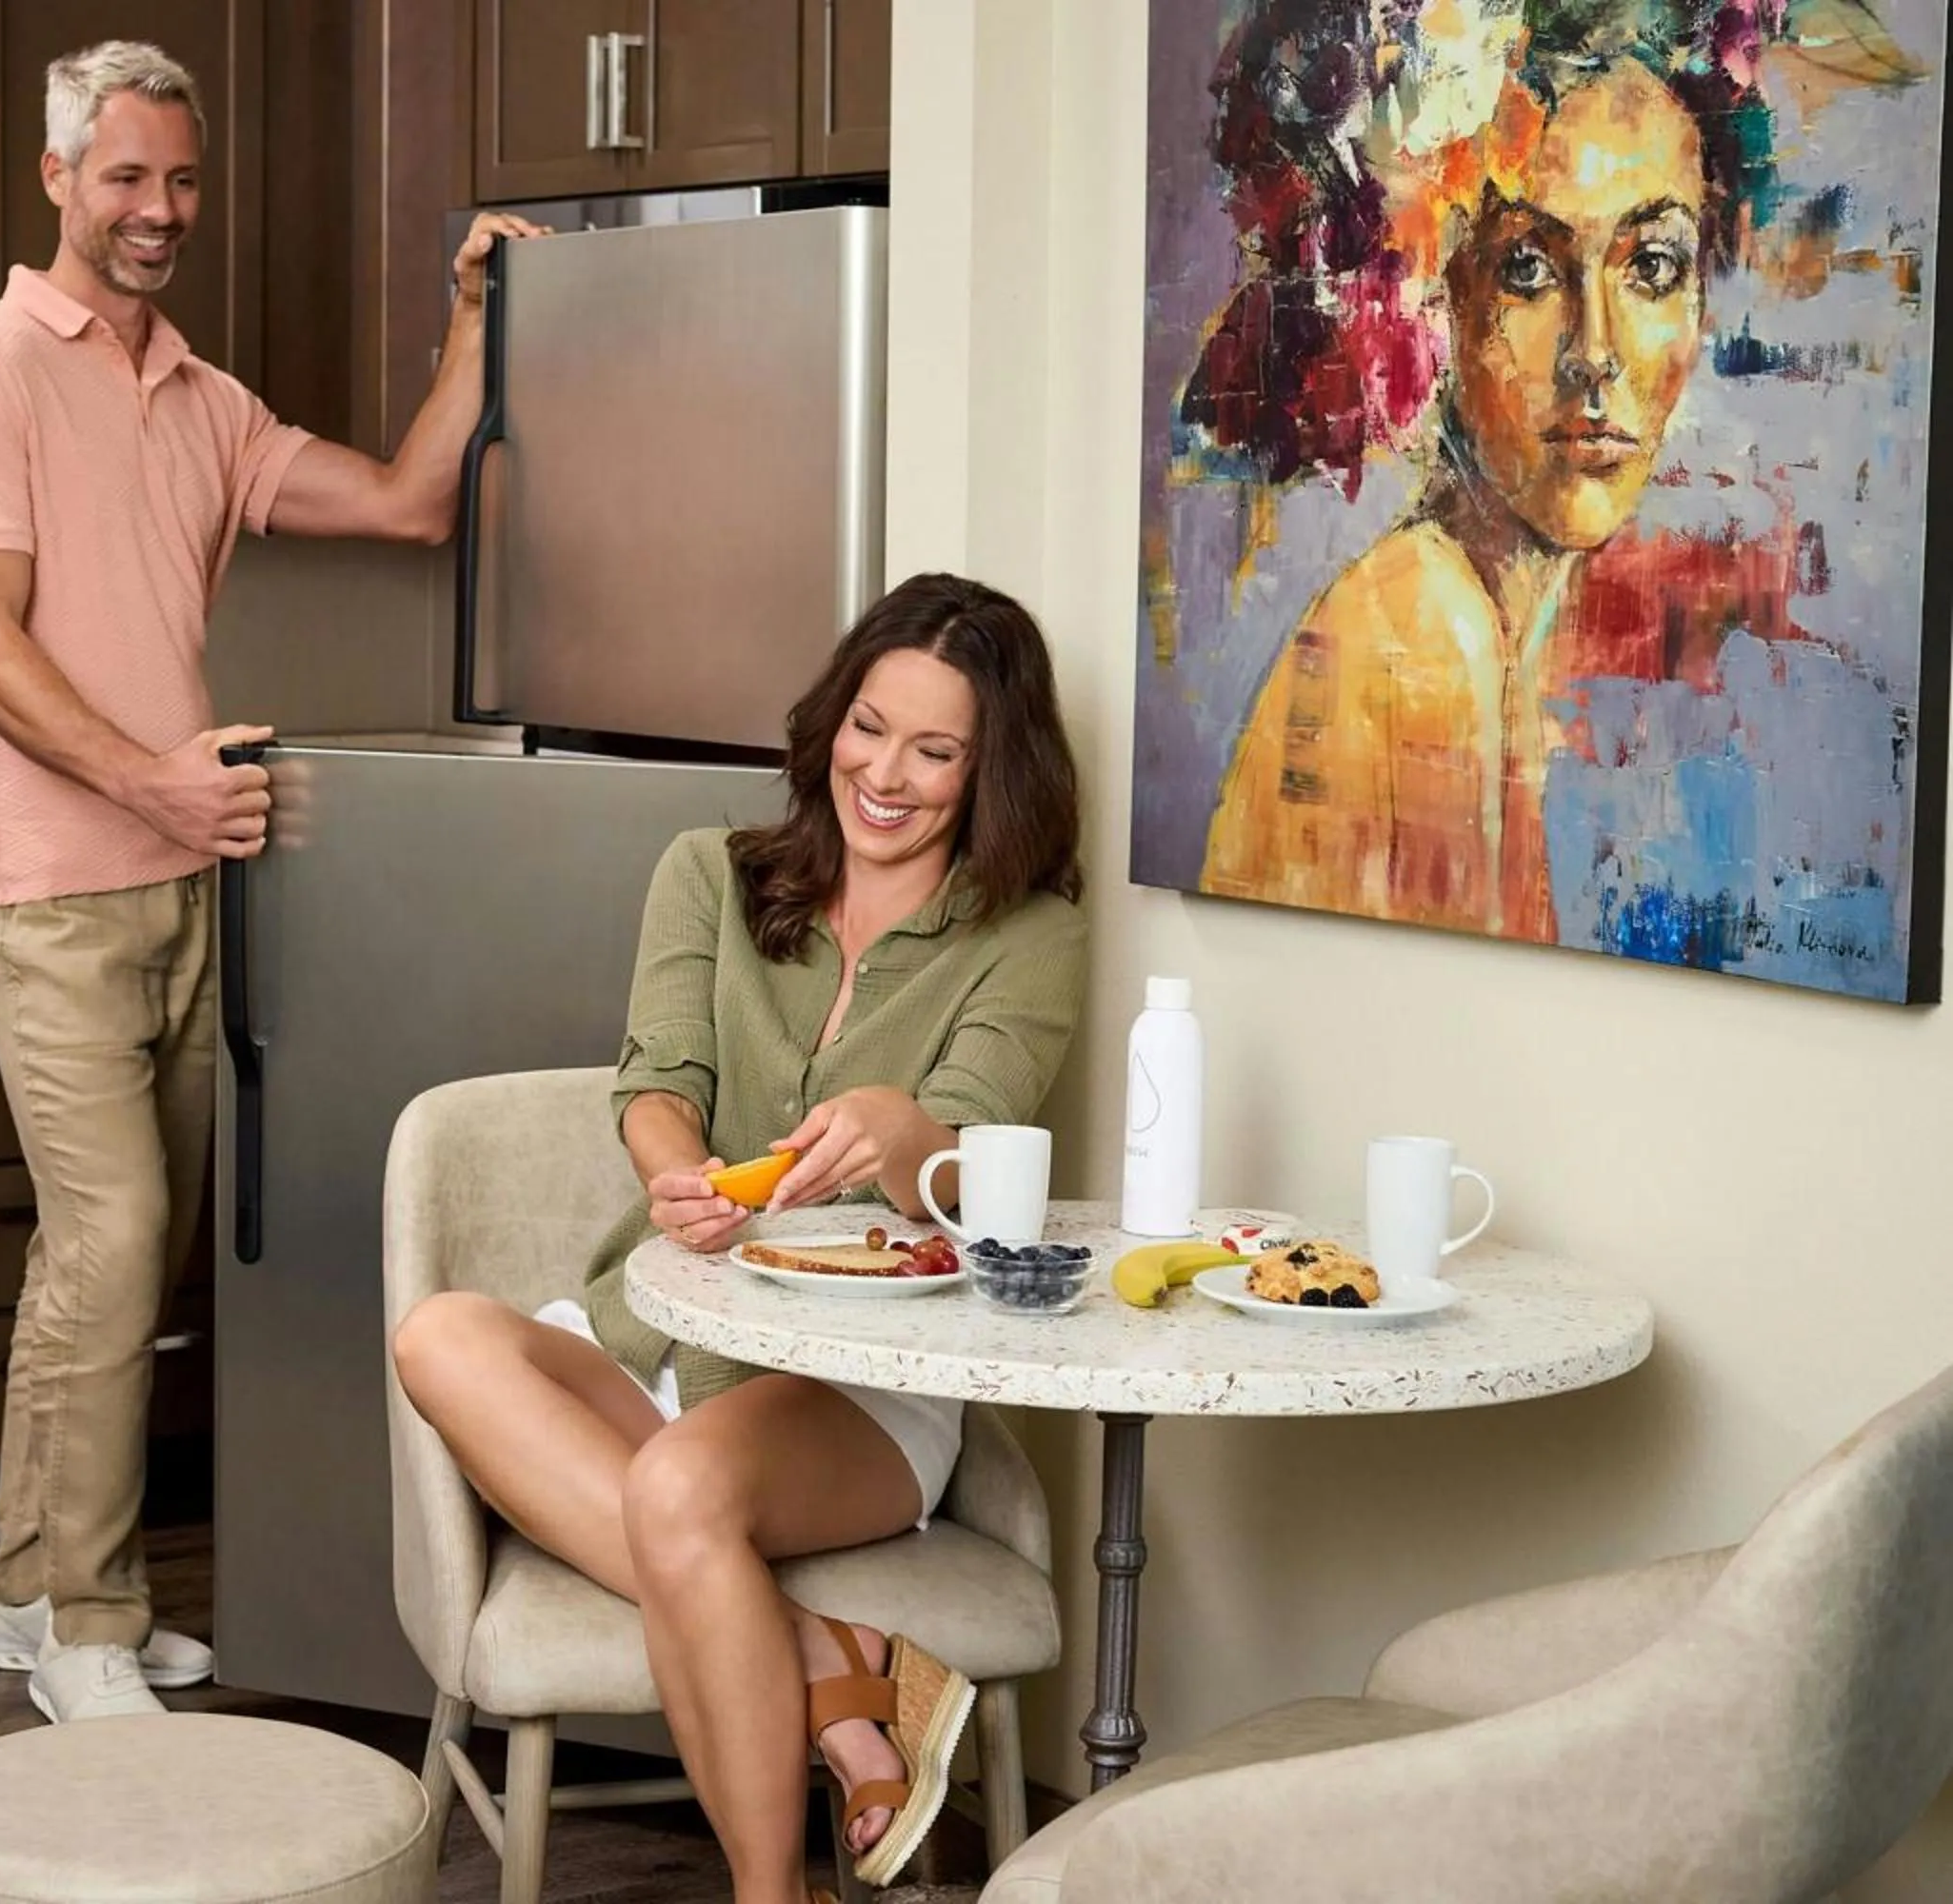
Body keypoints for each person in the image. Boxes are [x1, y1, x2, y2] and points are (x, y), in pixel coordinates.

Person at [0, 39, 543, 1725]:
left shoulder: (201, 397)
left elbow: (407, 504)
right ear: (58, 178)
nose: (159, 209)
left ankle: (20, 1593)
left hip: (191, 884)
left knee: (108, 1253)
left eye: (181, 180)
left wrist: (474, 320)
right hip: (49, 892)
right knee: (116, 1245)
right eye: (126, 176)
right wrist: (151, 779)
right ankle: (89, 1630)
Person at [390, 573, 1087, 1902]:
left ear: (992, 771)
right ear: (834, 717)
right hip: (663, 1322)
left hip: (855, 1384)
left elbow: (973, 1151)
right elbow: (657, 1078)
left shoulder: (1030, 936)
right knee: (440, 1337)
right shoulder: (711, 873)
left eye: (935, 751)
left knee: (679, 1491)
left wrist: (900, 1132)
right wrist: (679, 1176)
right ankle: (829, 1652)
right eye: (869, 728)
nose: (884, 774)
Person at [1189, 0, 1883, 938]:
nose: (1593, 354)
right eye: (1528, 269)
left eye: (1653, 266)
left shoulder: (1501, 634)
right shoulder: (1421, 638)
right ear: (1432, 293)